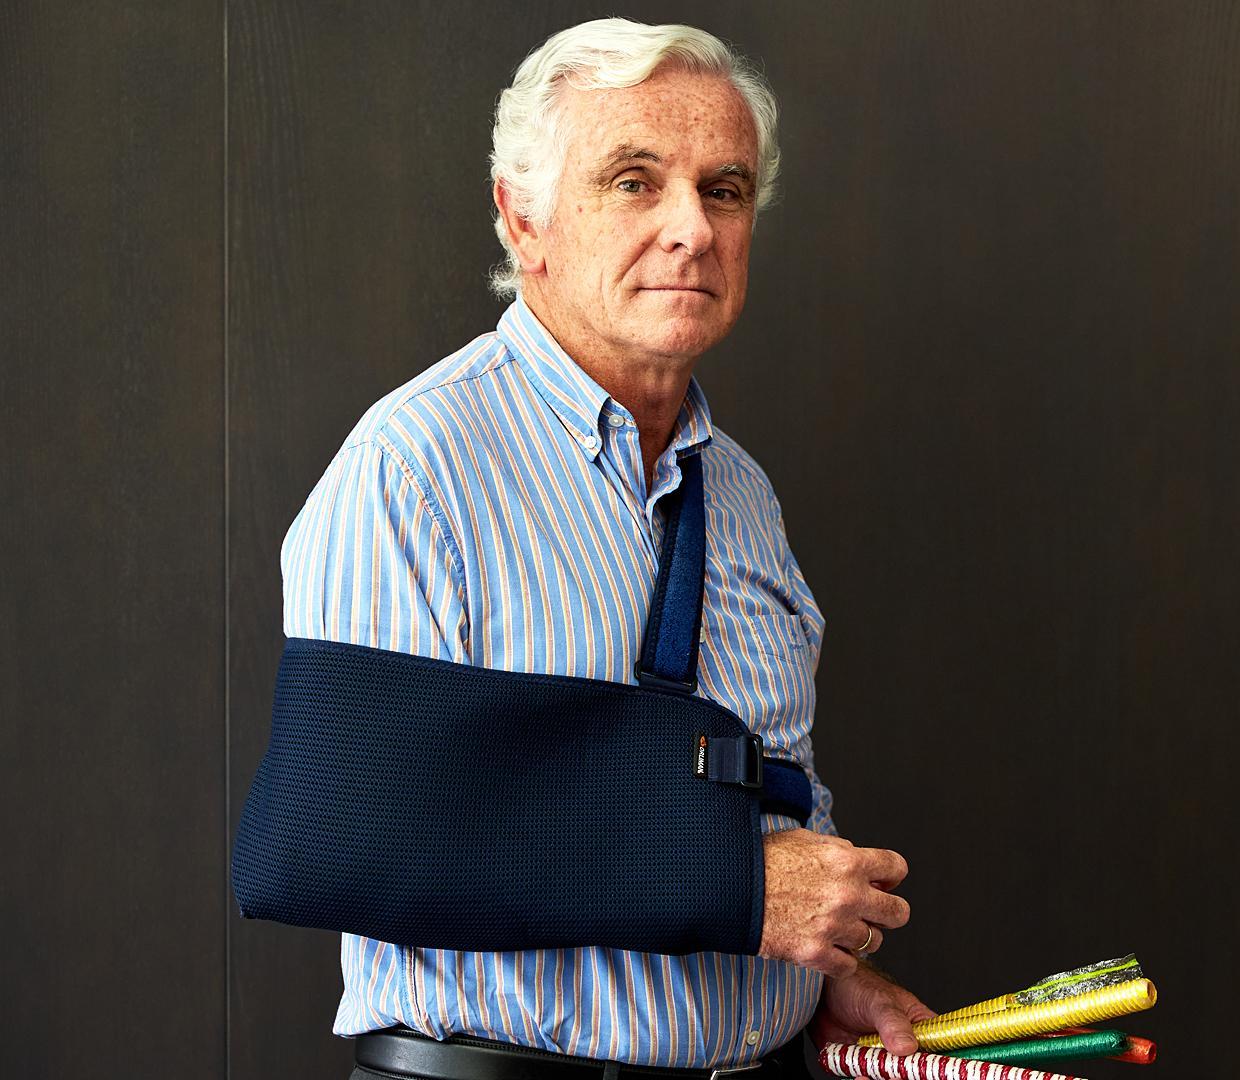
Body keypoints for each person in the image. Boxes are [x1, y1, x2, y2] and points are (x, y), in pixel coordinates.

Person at [280, 18, 934, 1078]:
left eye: (724, 190)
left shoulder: (744, 494)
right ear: (522, 219)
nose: (692, 227)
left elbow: (755, 818)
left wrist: (814, 973)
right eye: (634, 181)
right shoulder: (414, 470)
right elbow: (342, 842)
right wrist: (731, 889)